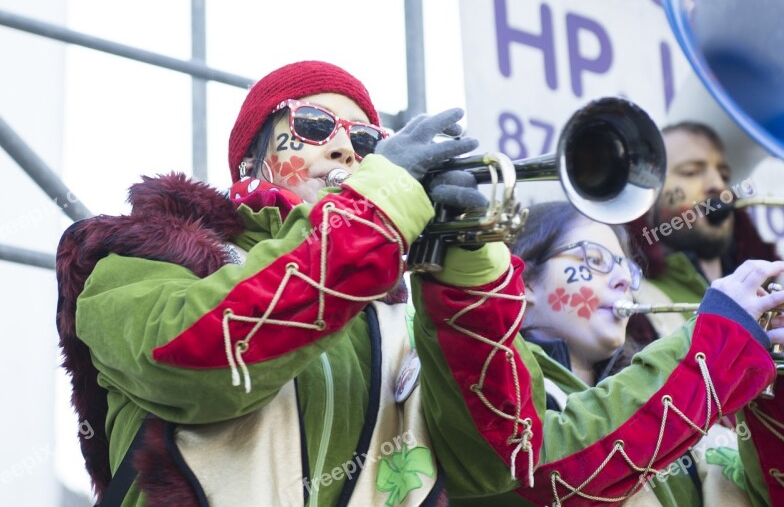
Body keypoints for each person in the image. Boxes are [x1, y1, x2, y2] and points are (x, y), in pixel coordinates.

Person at [56, 60, 782, 507]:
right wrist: (378, 203)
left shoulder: (404, 320)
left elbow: (523, 469)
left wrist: (464, 261)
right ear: (247, 162)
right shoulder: (140, 259)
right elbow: (205, 358)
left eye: (370, 143)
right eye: (313, 126)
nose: (345, 146)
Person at [502, 201, 784, 506]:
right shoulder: (503, 391)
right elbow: (558, 464)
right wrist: (720, 333)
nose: (624, 282)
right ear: (525, 281)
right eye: (595, 260)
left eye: (628, 269)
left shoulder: (689, 416)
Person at [627, 121, 781, 345]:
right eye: (691, 172)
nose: (719, 184)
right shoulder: (631, 301)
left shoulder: (770, 288)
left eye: (725, 175)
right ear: (648, 196)